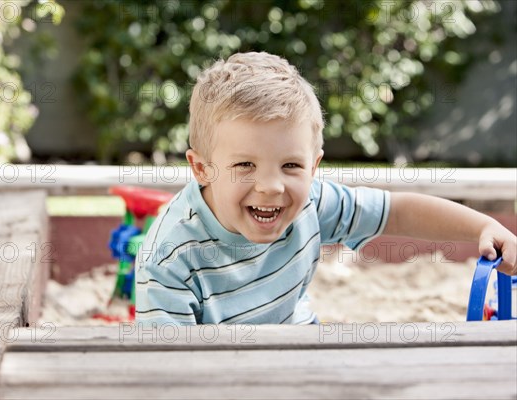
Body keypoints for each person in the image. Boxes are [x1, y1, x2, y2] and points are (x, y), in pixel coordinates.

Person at [135, 51, 517, 325]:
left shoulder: (311, 202)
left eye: (291, 166)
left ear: (314, 166)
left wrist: (483, 227)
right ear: (202, 169)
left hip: (301, 351)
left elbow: (397, 211)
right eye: (244, 165)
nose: (270, 186)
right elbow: (170, 370)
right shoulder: (170, 256)